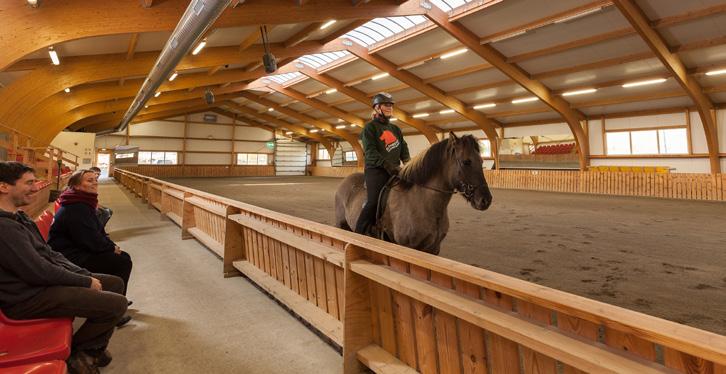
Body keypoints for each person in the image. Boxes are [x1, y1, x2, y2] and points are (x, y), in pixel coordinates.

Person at [0, 161, 127, 374]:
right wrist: (84, 281)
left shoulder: (19, 217)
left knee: (114, 283)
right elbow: (38, 271)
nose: (35, 188)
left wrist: (81, 273)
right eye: (29, 183)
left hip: (37, 286)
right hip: (25, 297)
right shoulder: (5, 228)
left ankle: (93, 346)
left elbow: (49, 254)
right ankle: (82, 353)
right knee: (116, 305)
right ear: (4, 187)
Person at [48, 170, 133, 302]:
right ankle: (113, 304)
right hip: (69, 255)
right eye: (89, 180)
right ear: (76, 186)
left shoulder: (81, 201)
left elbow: (97, 231)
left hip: (77, 247)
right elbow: (88, 240)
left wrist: (110, 245)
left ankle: (115, 299)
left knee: (122, 257)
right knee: (122, 262)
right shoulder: (76, 207)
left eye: (95, 180)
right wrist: (110, 248)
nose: (95, 183)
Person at [354, 92, 411, 235]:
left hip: (395, 169)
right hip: (376, 170)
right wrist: (387, 165)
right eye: (387, 105)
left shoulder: (395, 129)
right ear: (377, 108)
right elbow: (370, 152)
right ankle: (358, 233)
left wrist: (408, 163)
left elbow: (403, 146)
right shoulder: (369, 128)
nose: (390, 108)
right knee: (373, 201)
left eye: (391, 105)